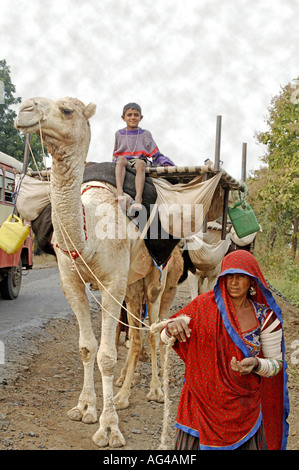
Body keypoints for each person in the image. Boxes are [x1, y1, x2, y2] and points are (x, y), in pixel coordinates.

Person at [161, 250, 289, 450]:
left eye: (241, 277)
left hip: (244, 411)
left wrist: (256, 364)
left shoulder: (266, 318)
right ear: (221, 278)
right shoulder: (203, 305)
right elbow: (164, 335)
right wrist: (171, 328)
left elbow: (276, 364)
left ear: (252, 281)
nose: (234, 282)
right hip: (200, 406)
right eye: (229, 276)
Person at [113, 102, 175, 213]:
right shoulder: (119, 134)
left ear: (141, 117)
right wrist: (115, 161)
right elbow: (116, 152)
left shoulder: (145, 134)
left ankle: (138, 198)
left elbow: (155, 152)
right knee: (120, 160)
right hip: (124, 159)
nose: (133, 117)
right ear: (123, 118)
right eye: (129, 115)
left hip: (139, 159)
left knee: (140, 164)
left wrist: (164, 162)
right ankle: (119, 192)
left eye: (136, 115)